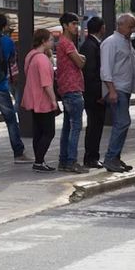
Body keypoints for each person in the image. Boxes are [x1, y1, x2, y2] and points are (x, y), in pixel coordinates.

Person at [0, 14, 32, 165]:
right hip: (0, 86)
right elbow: (12, 60)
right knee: (10, 120)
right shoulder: (7, 41)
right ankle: (18, 153)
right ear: (3, 27)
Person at [100, 13, 135, 173]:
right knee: (122, 122)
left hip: (125, 89)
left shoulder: (126, 43)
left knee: (122, 123)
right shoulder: (110, 43)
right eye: (130, 26)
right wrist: (111, 90)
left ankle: (115, 157)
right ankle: (110, 158)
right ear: (120, 25)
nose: (132, 30)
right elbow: (105, 69)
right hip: (117, 89)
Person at [22, 29, 59, 172]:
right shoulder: (42, 59)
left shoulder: (30, 56)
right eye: (51, 39)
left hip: (32, 97)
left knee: (38, 131)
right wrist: (53, 100)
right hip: (43, 100)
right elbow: (46, 83)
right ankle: (39, 160)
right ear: (43, 41)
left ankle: (39, 160)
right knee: (49, 132)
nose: (52, 42)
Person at [55, 13, 88, 174]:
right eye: (74, 24)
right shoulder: (67, 43)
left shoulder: (62, 42)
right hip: (73, 89)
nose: (77, 27)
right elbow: (80, 63)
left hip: (66, 89)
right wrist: (82, 58)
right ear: (65, 25)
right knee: (76, 126)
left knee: (67, 127)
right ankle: (71, 161)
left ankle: (63, 161)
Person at [80, 17, 106, 168]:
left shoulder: (93, 44)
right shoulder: (91, 46)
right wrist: (99, 95)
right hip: (93, 95)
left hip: (93, 93)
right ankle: (91, 157)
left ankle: (92, 156)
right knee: (94, 126)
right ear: (101, 28)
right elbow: (90, 74)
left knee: (96, 126)